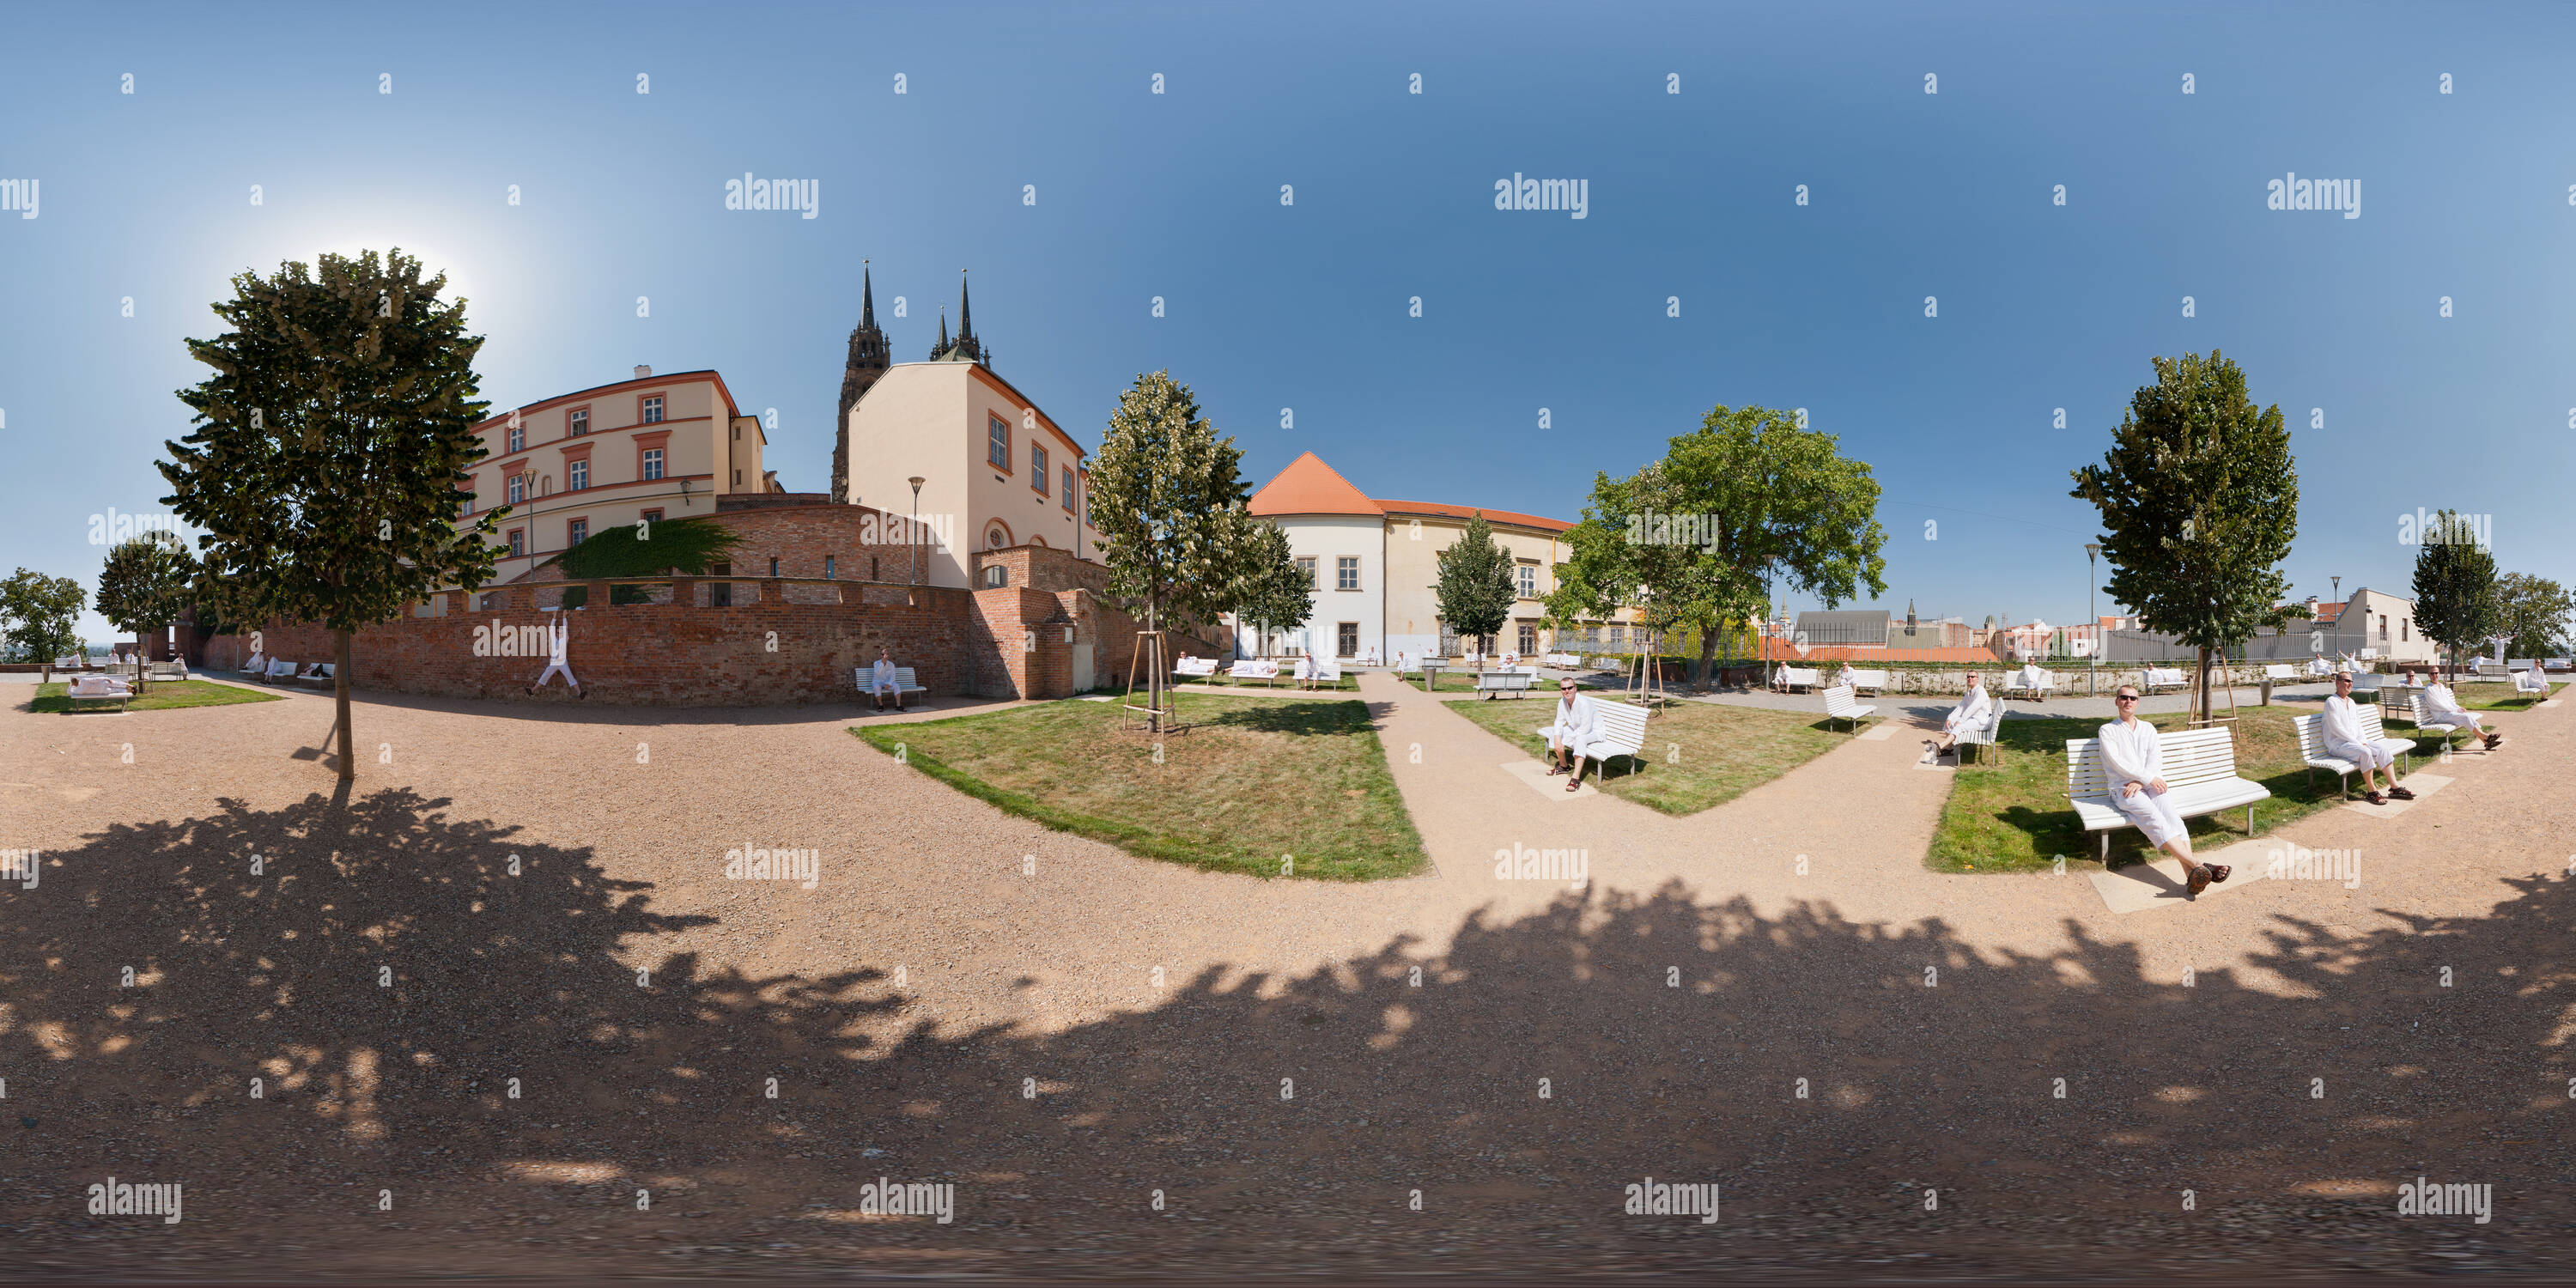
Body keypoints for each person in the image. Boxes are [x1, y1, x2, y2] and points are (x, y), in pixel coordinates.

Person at [2099, 684, 2230, 896]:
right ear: (2116, 701)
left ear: (2138, 702)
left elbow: (2155, 759)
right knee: (2153, 816)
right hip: (2122, 789)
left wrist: (2143, 782)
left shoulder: (2148, 728)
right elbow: (2118, 763)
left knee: (2172, 818)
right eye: (2124, 697)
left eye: (2133, 698)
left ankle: (2192, 876)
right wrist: (2145, 780)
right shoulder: (2108, 730)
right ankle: (2198, 865)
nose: (2128, 701)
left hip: (2147, 785)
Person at [2321, 671, 2408, 804]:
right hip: (2338, 745)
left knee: (2382, 750)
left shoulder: (2351, 702)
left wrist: (2362, 741)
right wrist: (2358, 743)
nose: (2350, 684)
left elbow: (2358, 725)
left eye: (2351, 681)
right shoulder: (2331, 702)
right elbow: (2336, 729)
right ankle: (2371, 791)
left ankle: (2394, 788)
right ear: (2338, 683)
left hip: (2355, 742)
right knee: (2365, 752)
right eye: (2347, 681)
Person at [1540, 677, 1605, 791]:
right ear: (1561, 690)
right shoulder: (1562, 702)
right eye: (1564, 688)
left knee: (1580, 739)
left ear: (1575, 688)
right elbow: (1559, 721)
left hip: (1594, 732)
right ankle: (1564, 766)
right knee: (1554, 734)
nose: (1567, 691)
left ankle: (1575, 779)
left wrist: (1565, 740)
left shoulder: (1584, 703)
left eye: (1570, 688)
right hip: (1576, 728)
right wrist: (1557, 739)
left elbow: (1585, 729)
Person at [2421, 672, 2502, 750]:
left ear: (2439, 674)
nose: (2434, 675)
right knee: (2465, 717)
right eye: (2432, 673)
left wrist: (2458, 707)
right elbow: (2437, 705)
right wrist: (2455, 710)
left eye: (2436, 673)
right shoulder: (2429, 689)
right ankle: (2487, 737)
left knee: (2467, 717)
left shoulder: (2441, 686)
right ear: (2428, 675)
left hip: (2448, 713)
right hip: (2440, 716)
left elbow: (2448, 701)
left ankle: (2486, 742)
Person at [1923, 672, 1991, 763]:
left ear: (1977, 679)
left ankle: (1940, 746)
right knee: (1950, 723)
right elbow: (1961, 707)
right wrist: (1950, 718)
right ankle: (1948, 749)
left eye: (1973, 677)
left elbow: (1973, 708)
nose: (1970, 678)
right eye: (1968, 677)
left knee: (1959, 726)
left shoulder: (1981, 691)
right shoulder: (1969, 693)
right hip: (1973, 718)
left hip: (1982, 721)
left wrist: (1961, 720)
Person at [529, 616, 581, 696]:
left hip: (562, 662)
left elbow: (565, 627)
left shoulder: (565, 639)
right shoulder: (553, 639)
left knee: (570, 677)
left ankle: (580, 693)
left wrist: (564, 617)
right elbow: (551, 629)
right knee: (545, 676)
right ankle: (532, 691)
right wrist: (554, 617)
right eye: (557, 632)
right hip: (553, 662)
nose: (558, 634)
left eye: (559, 632)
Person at [867, 646, 905, 711]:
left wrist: (889, 684)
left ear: (888, 655)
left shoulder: (891, 664)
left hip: (887, 682)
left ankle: (898, 705)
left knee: (896, 686)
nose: (885, 656)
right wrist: (882, 663)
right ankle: (881, 705)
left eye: (886, 654)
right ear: (881, 656)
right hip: (878, 681)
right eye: (883, 654)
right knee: (876, 687)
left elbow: (893, 675)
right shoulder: (876, 663)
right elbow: (877, 673)